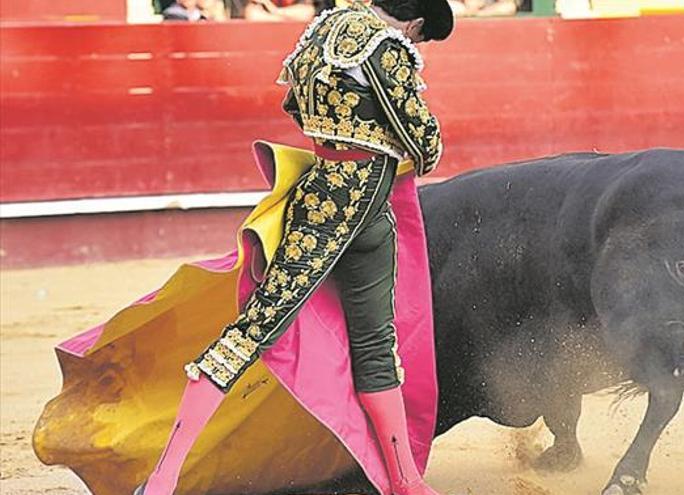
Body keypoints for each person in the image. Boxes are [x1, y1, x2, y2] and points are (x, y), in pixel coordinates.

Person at [133, 0, 453, 494]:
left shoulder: (323, 28)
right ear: (414, 23)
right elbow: (424, 143)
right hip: (359, 206)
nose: (416, 45)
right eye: (420, 37)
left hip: (322, 196)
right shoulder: (388, 48)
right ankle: (162, 480)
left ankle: (163, 479)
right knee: (342, 342)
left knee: (279, 332)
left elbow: (294, 106)